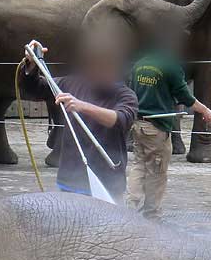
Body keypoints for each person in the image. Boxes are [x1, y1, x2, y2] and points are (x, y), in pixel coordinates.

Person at [19, 40, 137, 202]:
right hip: (70, 181)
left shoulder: (125, 95)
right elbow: (35, 88)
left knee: (107, 227)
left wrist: (82, 106)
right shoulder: (72, 83)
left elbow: (121, 119)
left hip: (107, 183)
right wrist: (31, 66)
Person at [127, 49, 211, 218]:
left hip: (138, 125)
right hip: (156, 128)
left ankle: (128, 208)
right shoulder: (171, 67)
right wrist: (205, 111)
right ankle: (152, 216)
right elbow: (185, 97)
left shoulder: (139, 64)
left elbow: (131, 92)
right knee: (157, 172)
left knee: (139, 166)